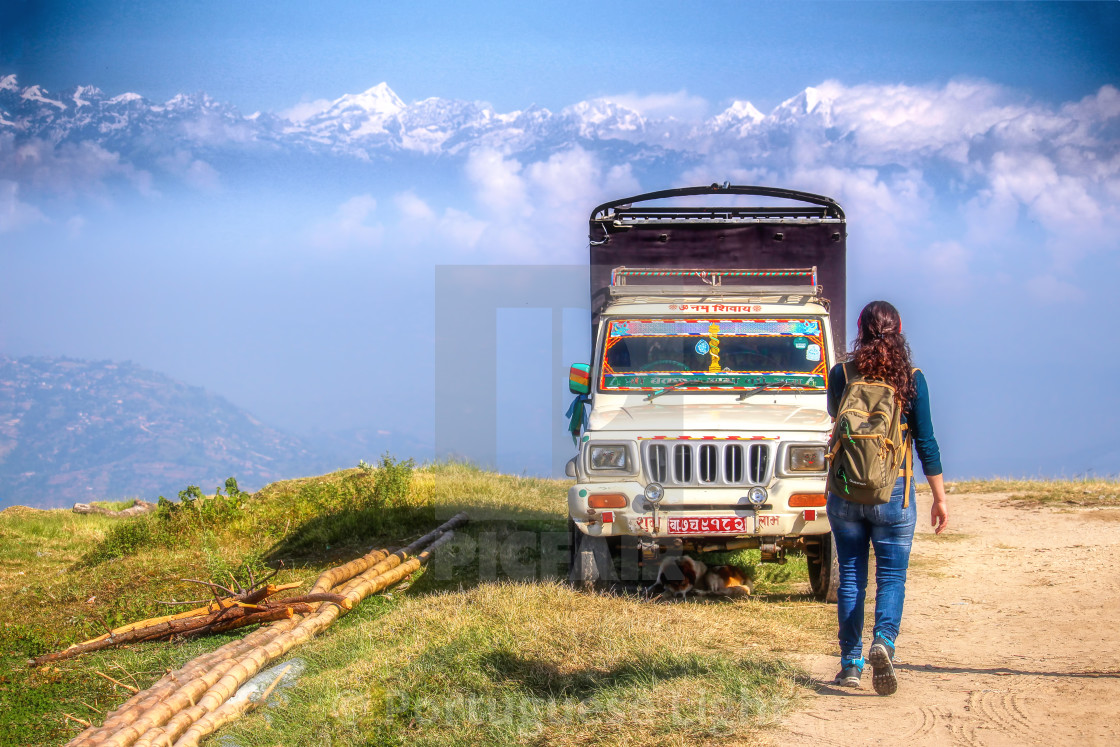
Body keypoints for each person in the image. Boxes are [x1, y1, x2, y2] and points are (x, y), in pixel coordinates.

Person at [826, 300, 949, 695]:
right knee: (892, 575)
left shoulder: (842, 373)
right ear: (899, 330)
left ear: (860, 329)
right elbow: (926, 442)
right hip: (893, 490)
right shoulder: (911, 379)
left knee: (851, 577)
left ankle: (850, 664)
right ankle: (884, 641)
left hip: (846, 490)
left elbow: (837, 420)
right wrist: (939, 498)